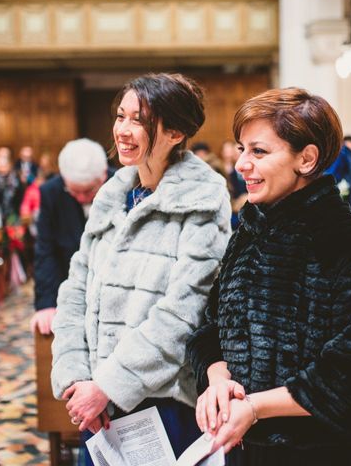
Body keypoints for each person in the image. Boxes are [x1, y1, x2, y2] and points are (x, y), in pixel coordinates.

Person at [187, 88, 351, 466]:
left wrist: (254, 407)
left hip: (318, 453)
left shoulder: (347, 242)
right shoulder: (251, 230)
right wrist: (217, 379)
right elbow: (211, 326)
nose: (241, 164)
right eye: (241, 149)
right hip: (245, 444)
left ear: (306, 158)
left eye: (259, 151)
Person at [51, 73, 232, 461]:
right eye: (121, 116)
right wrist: (77, 377)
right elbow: (76, 288)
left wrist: (110, 384)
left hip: (160, 400)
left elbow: (184, 312)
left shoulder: (202, 198)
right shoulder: (113, 194)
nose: (124, 130)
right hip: (97, 401)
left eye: (140, 121)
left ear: (176, 132)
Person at [29, 138, 111, 335]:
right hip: (69, 283)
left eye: (89, 190)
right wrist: (46, 303)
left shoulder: (125, 185)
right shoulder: (51, 193)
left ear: (104, 176)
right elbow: (45, 251)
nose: (82, 198)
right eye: (75, 191)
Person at [0, 152, 24, 224]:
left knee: (12, 232)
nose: (1, 169)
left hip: (13, 212)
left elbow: (20, 196)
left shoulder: (16, 177)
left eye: (4, 166)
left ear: (9, 166)